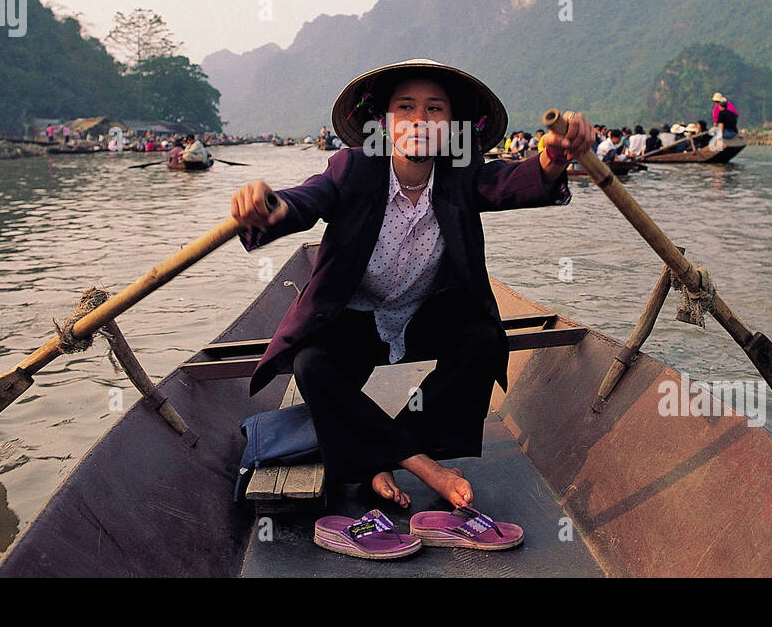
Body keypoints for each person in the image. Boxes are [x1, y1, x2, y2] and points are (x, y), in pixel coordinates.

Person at [230, 58, 591, 516]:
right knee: (311, 364)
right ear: (384, 123)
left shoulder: (462, 173)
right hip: (353, 323)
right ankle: (420, 465)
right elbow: (308, 198)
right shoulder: (353, 168)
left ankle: (378, 455)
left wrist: (556, 157)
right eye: (406, 107)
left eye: (435, 109)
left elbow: (515, 182)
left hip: (422, 316)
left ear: (452, 126)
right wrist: (272, 207)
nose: (420, 120)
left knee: (482, 340)